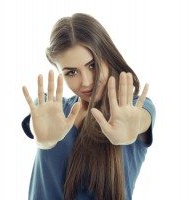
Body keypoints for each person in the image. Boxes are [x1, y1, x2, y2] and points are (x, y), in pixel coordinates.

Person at [21, 13, 156, 200]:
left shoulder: (133, 108)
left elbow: (142, 118)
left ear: (108, 57)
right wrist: (42, 140)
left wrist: (134, 127)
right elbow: (37, 122)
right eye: (71, 72)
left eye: (92, 65)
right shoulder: (52, 109)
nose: (86, 82)